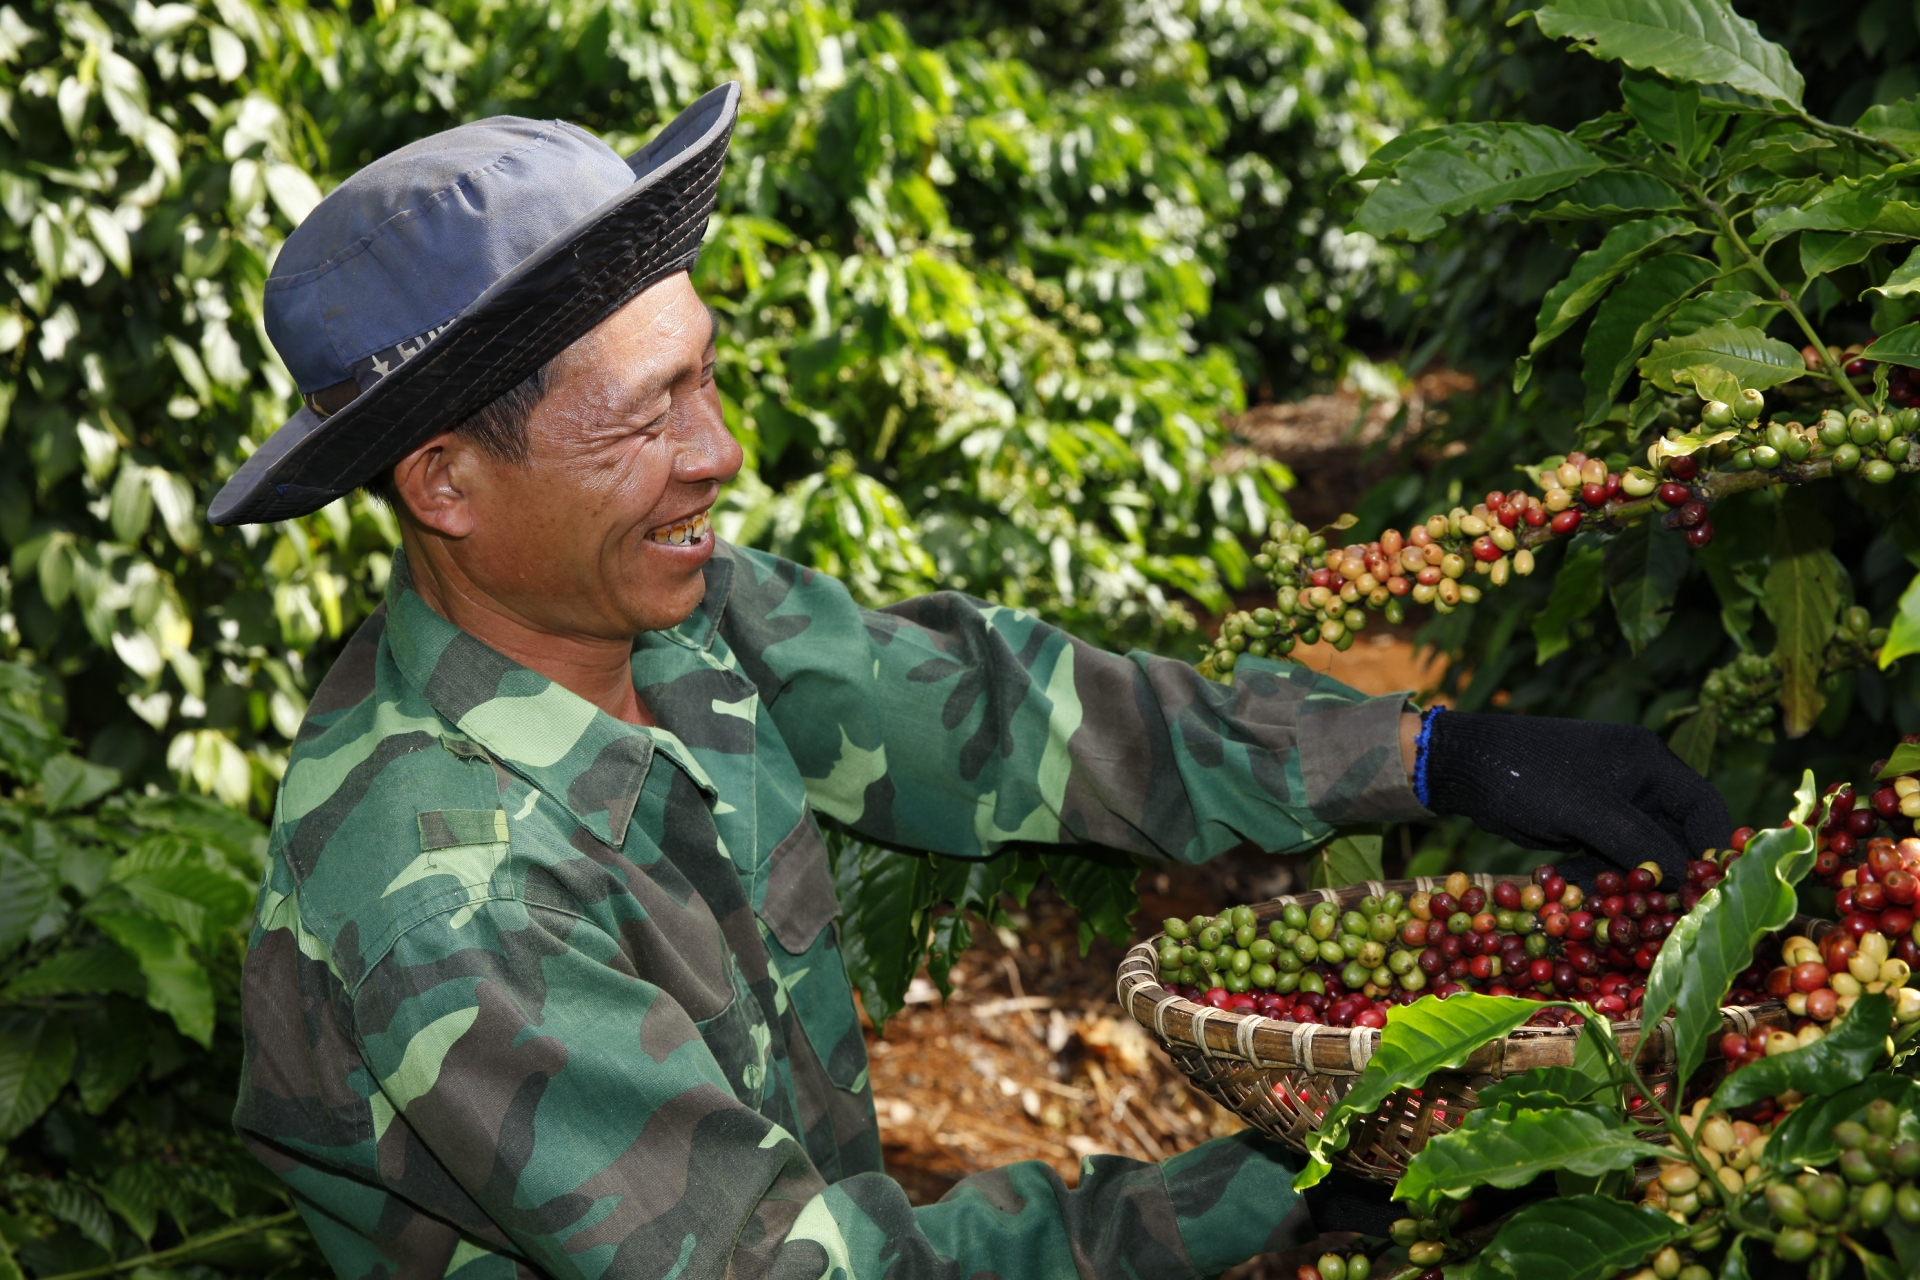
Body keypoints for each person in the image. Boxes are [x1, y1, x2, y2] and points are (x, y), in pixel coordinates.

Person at [219, 85, 1730, 1280]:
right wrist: (1272, 1197)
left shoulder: (678, 619)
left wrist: (1427, 757)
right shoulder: (447, 901)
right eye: (645, 416)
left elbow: (1009, 719)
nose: (721, 452)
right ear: (446, 485)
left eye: (708, 373)